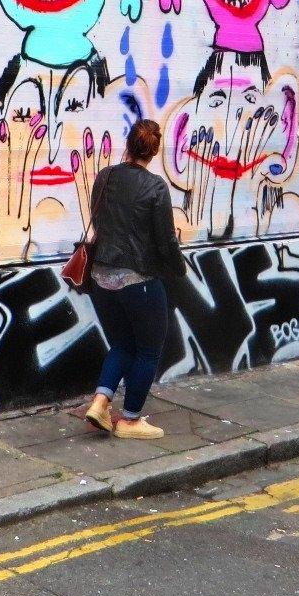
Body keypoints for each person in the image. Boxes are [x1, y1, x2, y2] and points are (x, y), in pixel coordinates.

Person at [83, 119, 186, 439]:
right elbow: (166, 241)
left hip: (101, 276)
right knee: (149, 350)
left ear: (127, 145)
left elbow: (99, 220)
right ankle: (129, 420)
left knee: (123, 344)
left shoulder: (104, 177)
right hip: (137, 280)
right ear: (154, 152)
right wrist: (179, 270)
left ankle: (101, 403)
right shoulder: (155, 187)